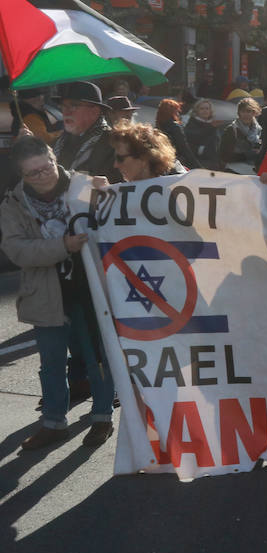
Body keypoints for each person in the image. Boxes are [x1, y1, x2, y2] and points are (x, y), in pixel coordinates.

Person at [1, 137, 114, 449]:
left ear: (54, 157)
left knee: (97, 358)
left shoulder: (85, 186)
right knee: (51, 363)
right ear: (21, 176)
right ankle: (54, 423)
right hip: (46, 293)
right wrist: (62, 246)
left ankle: (102, 418)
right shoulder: (12, 205)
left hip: (90, 289)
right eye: (33, 173)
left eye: (46, 166)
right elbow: (18, 251)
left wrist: (109, 191)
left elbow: (119, 219)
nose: (43, 175)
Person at [53, 81, 118, 182]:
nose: (66, 111)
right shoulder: (58, 142)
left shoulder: (114, 143)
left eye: (73, 106)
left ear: (94, 112)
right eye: (63, 106)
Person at [111, 121, 186, 180]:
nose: (115, 165)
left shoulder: (175, 189)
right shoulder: (122, 191)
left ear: (144, 158)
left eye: (120, 158)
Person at [155, 98, 200, 170]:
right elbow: (184, 148)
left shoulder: (157, 127)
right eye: (177, 111)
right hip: (176, 162)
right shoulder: (175, 127)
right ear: (172, 112)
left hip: (162, 162)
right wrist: (198, 167)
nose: (178, 113)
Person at [218, 98, 263, 170]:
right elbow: (224, 156)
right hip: (234, 171)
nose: (246, 114)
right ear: (239, 113)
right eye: (243, 111)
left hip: (253, 172)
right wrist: (247, 155)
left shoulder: (259, 129)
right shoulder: (231, 130)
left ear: (254, 113)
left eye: (248, 111)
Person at [184, 98, 220, 168]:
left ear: (210, 111)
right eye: (202, 108)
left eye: (207, 108)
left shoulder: (213, 124)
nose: (205, 111)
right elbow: (193, 137)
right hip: (199, 162)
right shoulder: (191, 123)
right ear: (196, 110)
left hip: (214, 162)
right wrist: (201, 150)